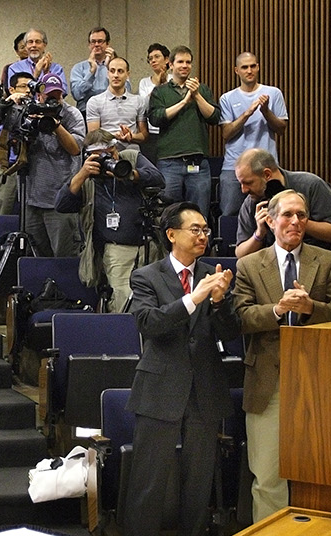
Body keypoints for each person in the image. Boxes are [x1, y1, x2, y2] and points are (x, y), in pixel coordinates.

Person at [231, 189, 331, 521]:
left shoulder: (326, 261)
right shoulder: (250, 265)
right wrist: (277, 309)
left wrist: (311, 308)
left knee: (322, 474)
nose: (296, 221)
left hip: (320, 381)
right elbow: (240, 318)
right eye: (287, 215)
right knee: (268, 477)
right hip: (269, 381)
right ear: (270, 221)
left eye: (301, 215)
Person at [122, 201, 237, 536]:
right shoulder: (146, 275)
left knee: (199, 480)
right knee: (149, 477)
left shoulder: (213, 275)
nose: (203, 235)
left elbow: (230, 332)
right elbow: (148, 323)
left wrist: (218, 301)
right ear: (172, 234)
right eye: (195, 229)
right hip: (160, 385)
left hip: (205, 386)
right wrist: (194, 299)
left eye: (206, 230)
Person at [56, 131, 165, 313]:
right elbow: (61, 204)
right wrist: (82, 173)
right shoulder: (88, 178)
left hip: (149, 244)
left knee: (156, 297)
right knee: (124, 300)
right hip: (117, 250)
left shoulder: (130, 157)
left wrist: (131, 174)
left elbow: (159, 179)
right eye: (102, 156)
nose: (110, 159)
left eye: (111, 152)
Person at [0, 73, 84, 257]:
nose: (54, 101)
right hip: (32, 200)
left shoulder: (71, 115)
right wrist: (10, 102)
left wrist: (54, 125)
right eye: (49, 97)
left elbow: (75, 149)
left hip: (60, 202)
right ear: (39, 96)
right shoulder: (28, 111)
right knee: (37, 258)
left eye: (57, 96)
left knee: (64, 258)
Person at [233, 149, 331, 256]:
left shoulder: (310, 185)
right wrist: (259, 234)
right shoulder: (251, 202)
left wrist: (296, 222)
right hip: (272, 271)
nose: (244, 190)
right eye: (241, 184)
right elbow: (241, 255)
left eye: (248, 183)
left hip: (318, 268)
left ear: (267, 174)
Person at [217, 52, 288, 219]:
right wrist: (247, 114)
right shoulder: (227, 98)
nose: (249, 70)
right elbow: (226, 133)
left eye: (253, 66)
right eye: (244, 67)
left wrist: (266, 111)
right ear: (236, 70)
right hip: (233, 167)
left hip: (266, 167)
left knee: (271, 213)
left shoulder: (273, 93)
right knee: (230, 215)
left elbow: (282, 129)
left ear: (258, 67)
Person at [148, 46, 219, 210]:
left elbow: (214, 117)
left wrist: (197, 96)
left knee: (199, 211)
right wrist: (184, 102)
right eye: (180, 62)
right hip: (169, 162)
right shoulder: (160, 91)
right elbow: (155, 118)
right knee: (167, 211)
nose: (185, 65)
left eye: (188, 62)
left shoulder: (202, 89)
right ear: (171, 65)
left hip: (198, 162)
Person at [0, 72, 32, 215]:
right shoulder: (2, 110)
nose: (27, 91)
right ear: (12, 89)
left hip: (31, 169)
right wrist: (8, 102)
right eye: (23, 86)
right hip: (7, 169)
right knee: (2, 214)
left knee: (31, 218)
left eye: (30, 87)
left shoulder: (35, 110)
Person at [84, 56, 147, 151]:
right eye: (112, 71)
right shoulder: (95, 101)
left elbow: (144, 135)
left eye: (120, 71)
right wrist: (114, 136)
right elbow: (93, 136)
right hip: (106, 152)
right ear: (107, 73)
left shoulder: (138, 101)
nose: (116, 75)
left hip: (132, 152)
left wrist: (131, 136)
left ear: (128, 74)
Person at [70, 27, 125, 107]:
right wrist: (91, 73)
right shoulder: (79, 68)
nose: (96, 45)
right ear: (89, 45)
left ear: (108, 44)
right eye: (93, 42)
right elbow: (77, 95)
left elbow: (127, 91)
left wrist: (112, 67)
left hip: (112, 109)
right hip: (86, 111)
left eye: (100, 41)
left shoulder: (119, 66)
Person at [136, 43, 171, 162]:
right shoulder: (144, 82)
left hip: (171, 130)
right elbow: (144, 105)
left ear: (166, 59)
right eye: (150, 58)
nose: (153, 60)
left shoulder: (174, 79)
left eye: (157, 57)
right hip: (151, 131)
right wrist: (157, 86)